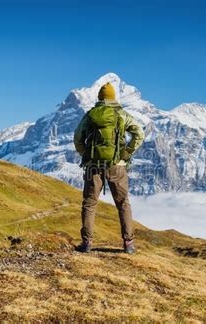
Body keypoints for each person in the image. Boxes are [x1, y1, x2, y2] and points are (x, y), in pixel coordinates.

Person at [73, 82, 145, 254]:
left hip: (93, 166)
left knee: (89, 204)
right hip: (117, 166)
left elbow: (77, 138)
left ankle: (87, 243)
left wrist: (87, 156)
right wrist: (126, 153)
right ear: (113, 97)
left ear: (99, 97)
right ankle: (128, 244)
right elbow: (139, 133)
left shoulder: (90, 115)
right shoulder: (121, 114)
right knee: (123, 204)